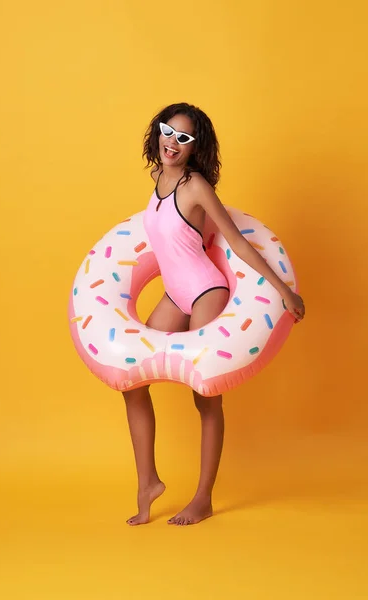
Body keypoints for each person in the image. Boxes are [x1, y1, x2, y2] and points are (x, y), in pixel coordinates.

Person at [123, 102, 305, 526]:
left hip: (206, 289)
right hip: (175, 293)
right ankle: (147, 481)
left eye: (184, 138)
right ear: (159, 132)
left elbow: (237, 243)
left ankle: (203, 497)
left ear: (195, 146)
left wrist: (283, 292)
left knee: (204, 395)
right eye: (169, 131)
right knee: (132, 380)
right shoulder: (156, 178)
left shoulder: (196, 186)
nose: (173, 142)